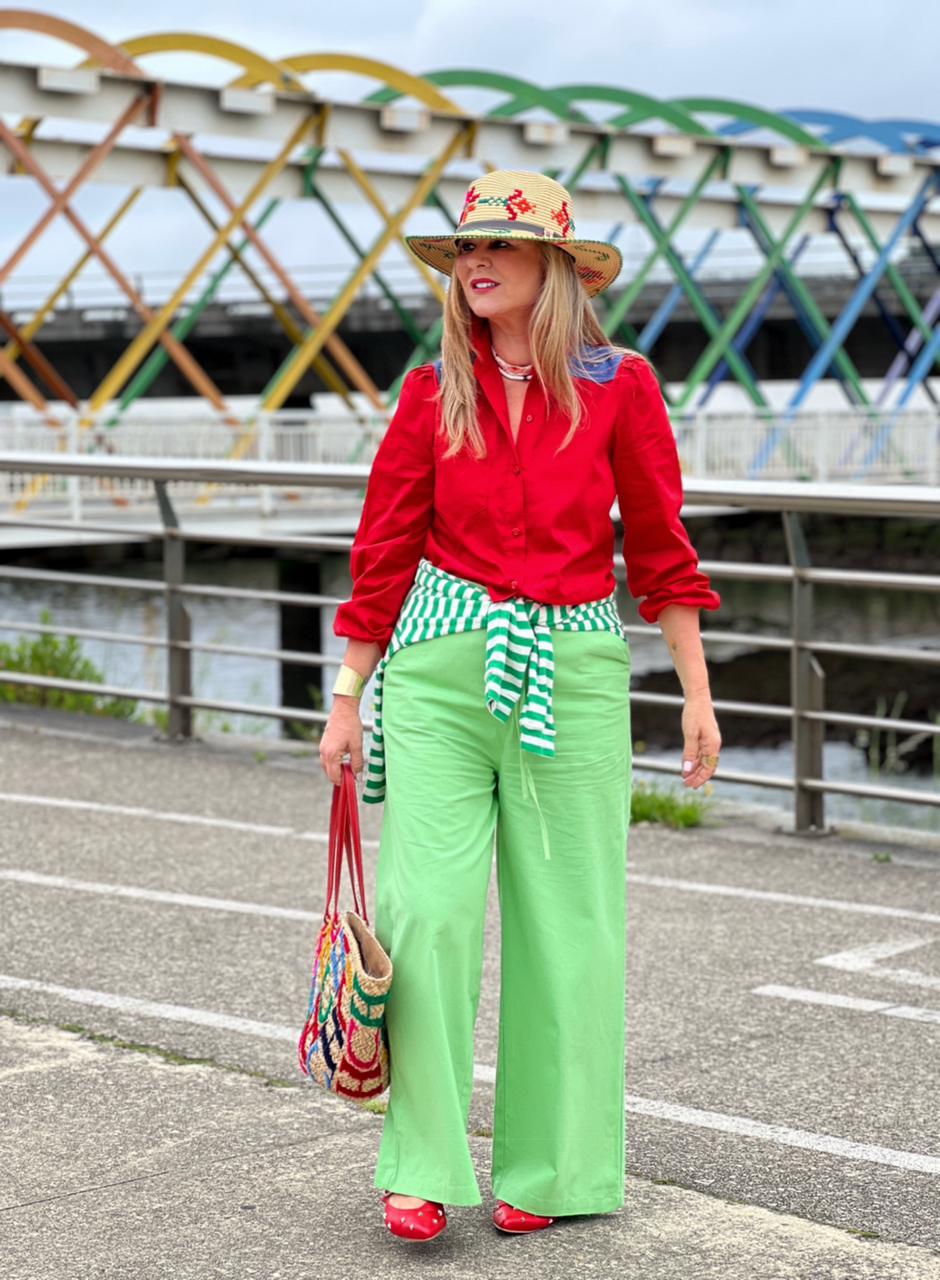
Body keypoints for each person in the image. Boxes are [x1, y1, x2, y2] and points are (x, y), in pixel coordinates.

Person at [319, 169, 721, 1242]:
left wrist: (694, 692)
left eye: (497, 248)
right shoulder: (425, 393)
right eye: (463, 252)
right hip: (442, 673)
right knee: (428, 914)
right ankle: (421, 1163)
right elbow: (383, 555)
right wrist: (347, 696)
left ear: (554, 268)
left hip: (576, 669)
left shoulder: (619, 385)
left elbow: (661, 546)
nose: (475, 265)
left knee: (571, 928)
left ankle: (559, 1163)